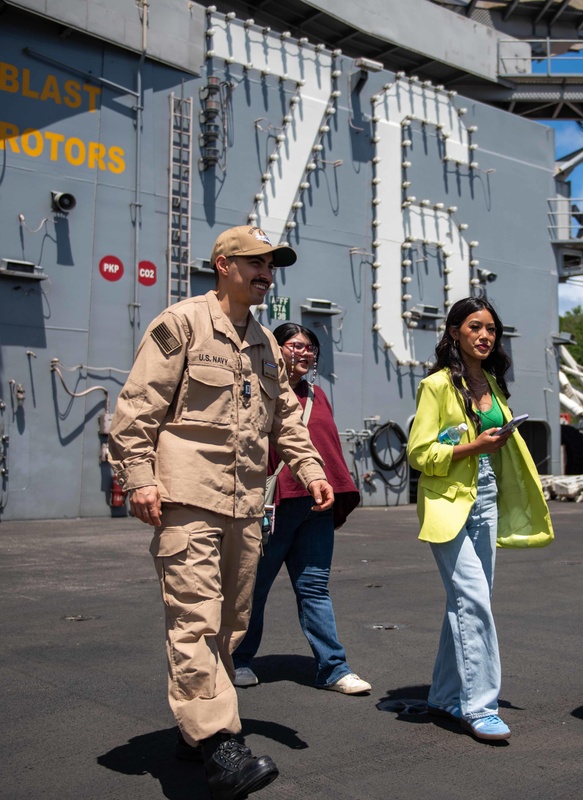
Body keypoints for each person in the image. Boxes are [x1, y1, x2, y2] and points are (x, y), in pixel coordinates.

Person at [109, 226, 334, 800]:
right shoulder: (180, 324)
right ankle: (218, 744)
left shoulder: (264, 341)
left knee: (231, 625)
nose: (267, 273)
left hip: (244, 504)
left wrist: (311, 472)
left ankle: (193, 728)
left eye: (271, 265)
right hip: (187, 497)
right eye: (256, 263)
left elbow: (286, 418)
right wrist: (138, 478)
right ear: (223, 264)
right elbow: (137, 410)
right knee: (195, 619)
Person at [406, 296, 553, 742]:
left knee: (470, 601)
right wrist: (473, 447)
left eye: (491, 329)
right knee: (473, 599)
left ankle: (445, 694)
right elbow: (418, 453)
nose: (485, 335)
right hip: (448, 500)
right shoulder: (435, 386)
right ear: (454, 333)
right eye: (474, 327)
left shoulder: (492, 380)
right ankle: (480, 706)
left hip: (486, 496)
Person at [233, 322, 369, 693]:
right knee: (253, 587)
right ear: (274, 350)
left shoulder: (317, 394)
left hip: (315, 505)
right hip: (275, 503)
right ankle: (238, 659)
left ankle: (334, 669)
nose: (304, 353)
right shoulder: (263, 391)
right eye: (295, 346)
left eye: (310, 348)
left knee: (314, 587)